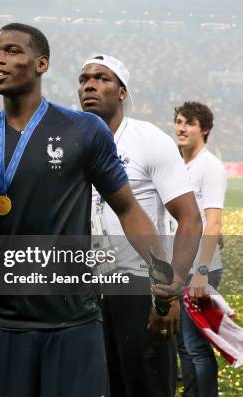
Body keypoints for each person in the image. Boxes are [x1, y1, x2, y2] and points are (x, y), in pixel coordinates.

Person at [0, 23, 195, 397]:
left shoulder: (82, 130)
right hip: (2, 321)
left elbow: (128, 209)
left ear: (42, 63)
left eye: (11, 51)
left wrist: (161, 274)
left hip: (71, 320)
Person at [78, 54, 202, 397]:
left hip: (137, 287)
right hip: (83, 292)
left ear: (122, 92)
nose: (89, 84)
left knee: (145, 388)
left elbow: (190, 217)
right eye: (84, 78)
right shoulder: (69, 142)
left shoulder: (149, 140)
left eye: (102, 78)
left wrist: (171, 288)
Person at [174, 102, 226, 397]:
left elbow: (215, 220)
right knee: (182, 343)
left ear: (204, 129)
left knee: (196, 345)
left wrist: (202, 272)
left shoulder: (210, 166)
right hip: (178, 264)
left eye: (189, 123)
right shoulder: (178, 165)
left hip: (199, 268)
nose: (181, 128)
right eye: (179, 121)